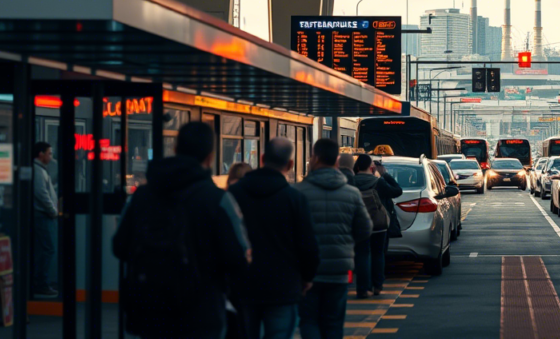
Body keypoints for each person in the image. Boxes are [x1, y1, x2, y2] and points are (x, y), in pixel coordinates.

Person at [113, 122, 251, 339]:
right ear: (210, 157)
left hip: (151, 309)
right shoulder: (218, 200)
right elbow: (237, 257)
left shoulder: (141, 197)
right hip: (203, 312)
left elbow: (119, 246)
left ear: (175, 149)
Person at [229, 138, 320, 339]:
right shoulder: (294, 198)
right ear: (290, 165)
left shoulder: (234, 193)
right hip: (284, 287)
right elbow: (308, 245)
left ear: (262, 159)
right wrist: (306, 277)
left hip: (243, 285)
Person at [295, 139, 371, 339]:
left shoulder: (298, 192)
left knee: (309, 320)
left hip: (306, 271)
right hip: (339, 268)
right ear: (336, 161)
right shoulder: (352, 193)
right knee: (334, 322)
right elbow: (365, 229)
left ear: (315, 158)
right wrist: (346, 242)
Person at [352, 154, 402, 298]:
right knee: (378, 254)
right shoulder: (379, 182)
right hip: (379, 224)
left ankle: (363, 288)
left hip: (359, 225)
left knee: (362, 255)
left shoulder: (351, 182)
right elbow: (397, 191)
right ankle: (377, 286)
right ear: (372, 167)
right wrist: (385, 174)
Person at [32, 142, 58, 297]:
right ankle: (41, 283)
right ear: (40, 154)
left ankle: (40, 281)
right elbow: (42, 194)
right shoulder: (38, 171)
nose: (51, 157)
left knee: (45, 249)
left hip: (43, 216)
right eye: (49, 153)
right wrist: (53, 210)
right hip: (43, 216)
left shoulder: (41, 170)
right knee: (48, 249)